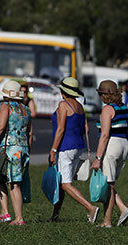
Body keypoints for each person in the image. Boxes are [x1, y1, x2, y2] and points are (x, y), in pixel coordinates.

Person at [48, 77, 99, 223]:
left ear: (63, 91)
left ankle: (91, 208)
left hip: (65, 147)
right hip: (78, 146)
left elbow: (61, 129)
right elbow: (86, 129)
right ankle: (55, 216)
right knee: (62, 182)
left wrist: (53, 150)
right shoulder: (79, 106)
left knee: (66, 184)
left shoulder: (63, 105)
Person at [0, 80, 31, 226]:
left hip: (10, 149)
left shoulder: (6, 106)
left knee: (13, 184)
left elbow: (0, 127)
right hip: (23, 148)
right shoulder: (26, 109)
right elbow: (29, 132)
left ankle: (19, 218)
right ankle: (5, 212)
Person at [91, 80, 128, 227]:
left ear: (104, 95)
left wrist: (97, 158)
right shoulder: (124, 108)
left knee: (108, 185)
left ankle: (108, 220)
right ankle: (121, 210)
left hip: (113, 146)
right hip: (124, 145)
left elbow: (104, 135)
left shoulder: (107, 109)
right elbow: (127, 130)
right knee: (109, 183)